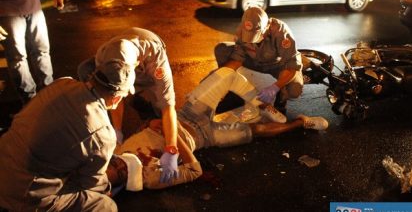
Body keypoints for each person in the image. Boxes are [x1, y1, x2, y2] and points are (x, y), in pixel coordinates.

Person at [106, 67, 328, 192]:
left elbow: (140, 132)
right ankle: (301, 122)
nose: (120, 162)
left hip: (186, 115)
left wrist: (148, 124)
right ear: (126, 180)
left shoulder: (117, 150)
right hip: (205, 137)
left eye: (115, 163)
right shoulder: (150, 179)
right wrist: (171, 139)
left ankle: (262, 104)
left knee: (225, 75)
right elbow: (195, 170)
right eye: (122, 170)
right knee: (256, 130)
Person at [0, 58, 136, 211]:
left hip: (4, 160)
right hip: (22, 196)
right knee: (106, 205)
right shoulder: (103, 134)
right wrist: (109, 181)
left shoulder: (62, 83)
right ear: (117, 98)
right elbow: (88, 185)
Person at [78, 27, 180, 184]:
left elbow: (168, 106)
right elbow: (114, 95)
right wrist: (117, 130)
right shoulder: (104, 58)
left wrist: (172, 148)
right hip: (124, 67)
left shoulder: (156, 62)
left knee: (160, 114)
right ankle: (136, 105)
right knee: (87, 72)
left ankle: (146, 112)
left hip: (147, 69)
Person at [215, 6, 313, 116]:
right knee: (221, 49)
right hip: (255, 61)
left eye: (255, 36)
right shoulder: (242, 31)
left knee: (294, 90)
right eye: (249, 36)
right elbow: (237, 58)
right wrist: (220, 76)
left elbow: (291, 65)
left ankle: (280, 100)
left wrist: (275, 87)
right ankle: (232, 89)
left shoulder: (280, 31)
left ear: (267, 26)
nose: (252, 41)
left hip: (277, 65)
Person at [0, 0, 64, 104]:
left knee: (42, 51)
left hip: (33, 7)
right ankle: (30, 102)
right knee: (18, 58)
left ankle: (50, 94)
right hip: (7, 11)